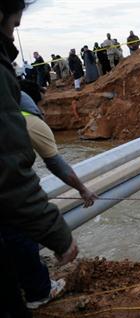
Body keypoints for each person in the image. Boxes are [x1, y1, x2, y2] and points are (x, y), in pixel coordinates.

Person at [0, 1, 79, 315]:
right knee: (17, 232)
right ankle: (37, 291)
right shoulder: (32, 122)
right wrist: (58, 234)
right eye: (15, 22)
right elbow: (50, 165)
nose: (14, 29)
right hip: (12, 209)